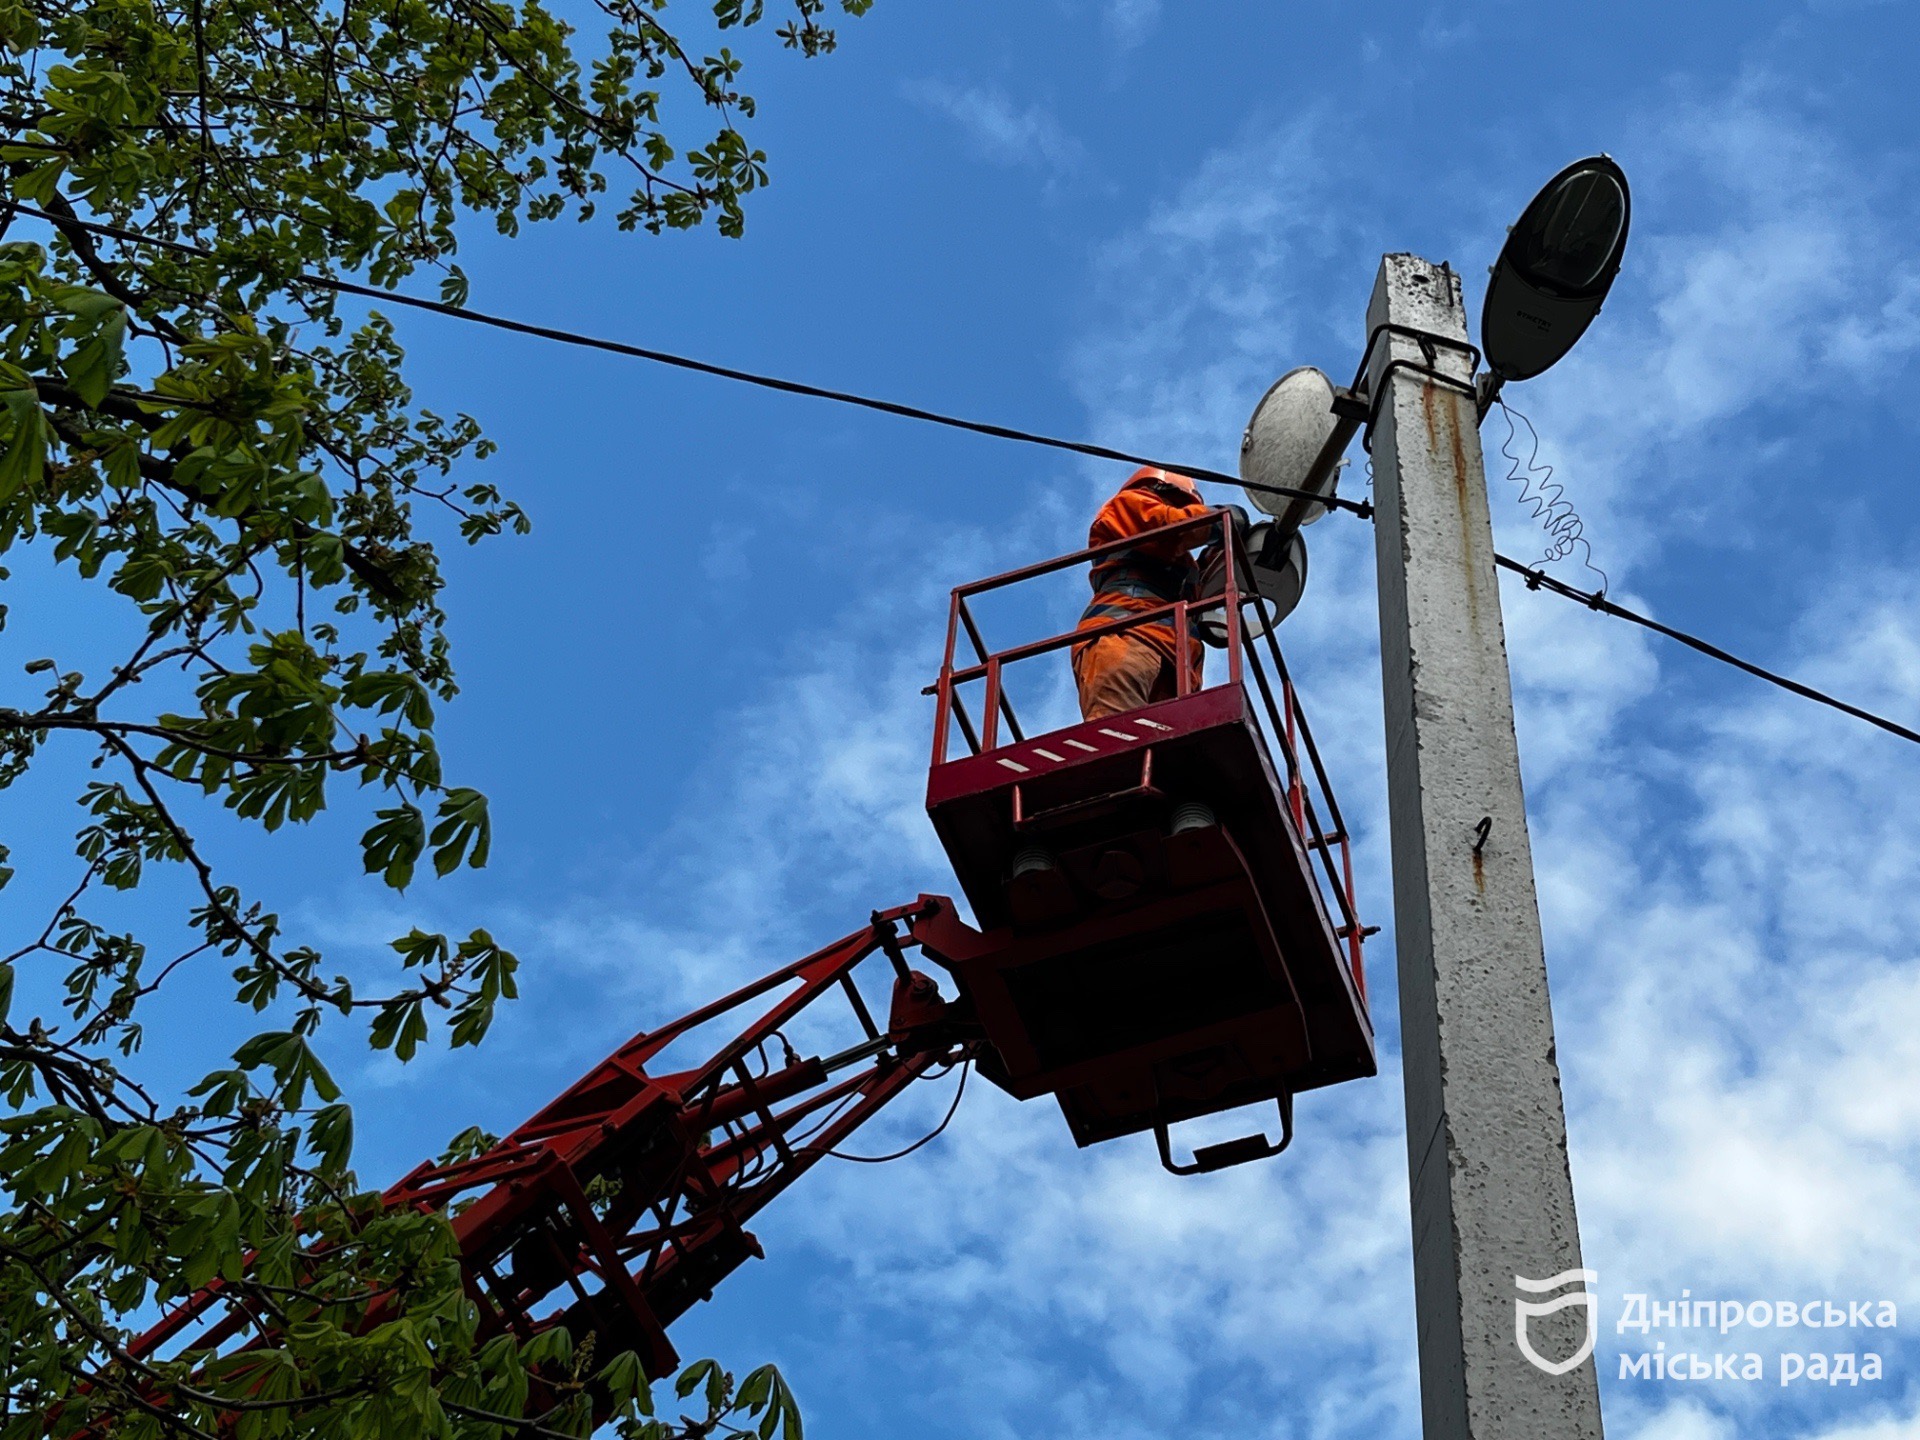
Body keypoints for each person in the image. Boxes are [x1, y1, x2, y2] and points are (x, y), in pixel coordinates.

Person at [1070, 466, 1213, 721]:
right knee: (1115, 736)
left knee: (1168, 752)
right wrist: (1216, 521)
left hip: (1175, 659)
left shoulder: (1184, 566)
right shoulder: (1127, 506)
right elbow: (1170, 526)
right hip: (1124, 635)